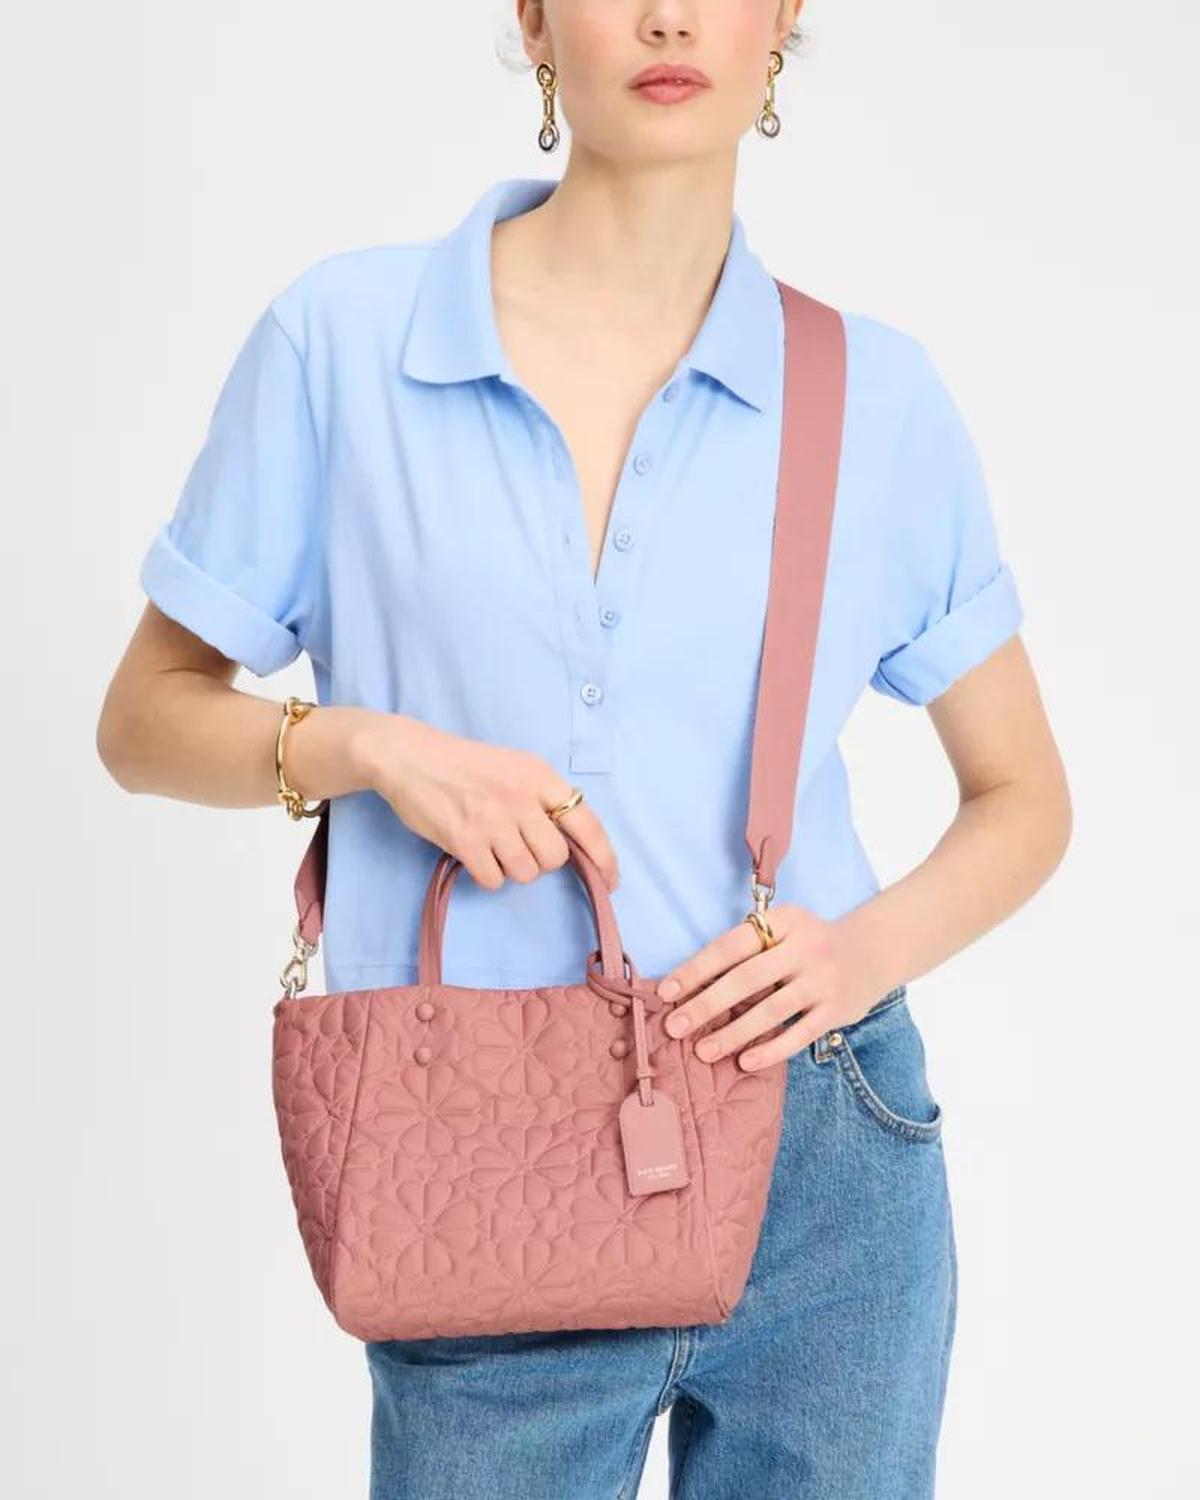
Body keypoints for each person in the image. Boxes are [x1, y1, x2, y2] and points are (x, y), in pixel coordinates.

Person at [97, 2, 1071, 1495]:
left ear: (784, 17)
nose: (670, 15)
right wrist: (364, 746)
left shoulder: (876, 397)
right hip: (474, 1142)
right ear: (536, 14)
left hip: (819, 1144)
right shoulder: (344, 342)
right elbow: (145, 720)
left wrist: (859, 953)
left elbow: (1024, 796)